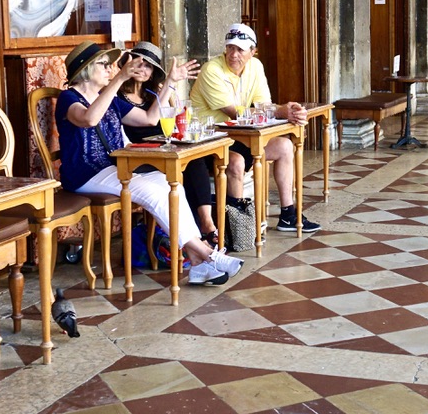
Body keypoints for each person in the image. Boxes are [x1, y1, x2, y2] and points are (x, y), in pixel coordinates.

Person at [55, 40, 243, 285]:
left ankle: (197, 263)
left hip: (113, 168)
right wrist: (119, 80)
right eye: (104, 64)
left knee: (169, 185)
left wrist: (170, 84)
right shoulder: (68, 98)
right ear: (86, 69)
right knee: (152, 193)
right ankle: (207, 254)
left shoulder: (107, 96)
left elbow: (150, 117)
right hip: (84, 175)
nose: (109, 69)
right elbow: (89, 119)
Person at [189, 23, 322, 233]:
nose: (233, 54)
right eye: (230, 48)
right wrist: (279, 111)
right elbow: (234, 113)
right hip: (209, 141)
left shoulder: (256, 67)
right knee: (236, 161)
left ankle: (288, 214)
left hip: (239, 138)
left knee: (285, 146)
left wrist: (290, 111)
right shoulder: (211, 70)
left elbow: (264, 106)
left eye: (240, 50)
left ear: (253, 51)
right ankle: (237, 227)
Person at [118, 41, 221, 248]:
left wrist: (168, 91)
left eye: (148, 66)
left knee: (195, 159)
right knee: (186, 167)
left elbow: (176, 117)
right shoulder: (117, 97)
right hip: (141, 154)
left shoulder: (154, 93)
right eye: (139, 63)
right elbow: (150, 120)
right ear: (127, 64)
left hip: (167, 147)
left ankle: (206, 224)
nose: (142, 69)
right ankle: (199, 232)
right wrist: (169, 84)